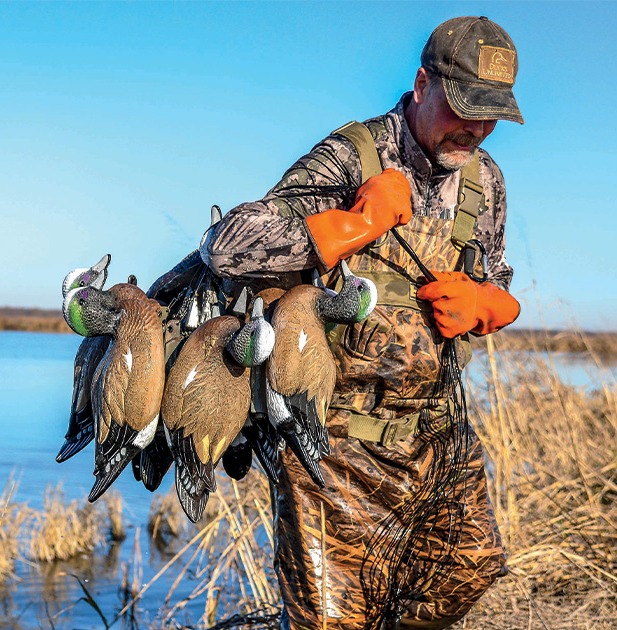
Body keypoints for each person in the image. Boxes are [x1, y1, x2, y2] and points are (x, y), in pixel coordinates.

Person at [201, 16, 523, 630]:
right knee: (331, 623)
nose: (476, 130)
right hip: (332, 441)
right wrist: (352, 225)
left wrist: (489, 305)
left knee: (466, 575)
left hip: (436, 432)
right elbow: (229, 245)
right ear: (423, 84)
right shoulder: (353, 155)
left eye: (492, 117)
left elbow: (497, 275)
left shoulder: (486, 180)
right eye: (464, 108)